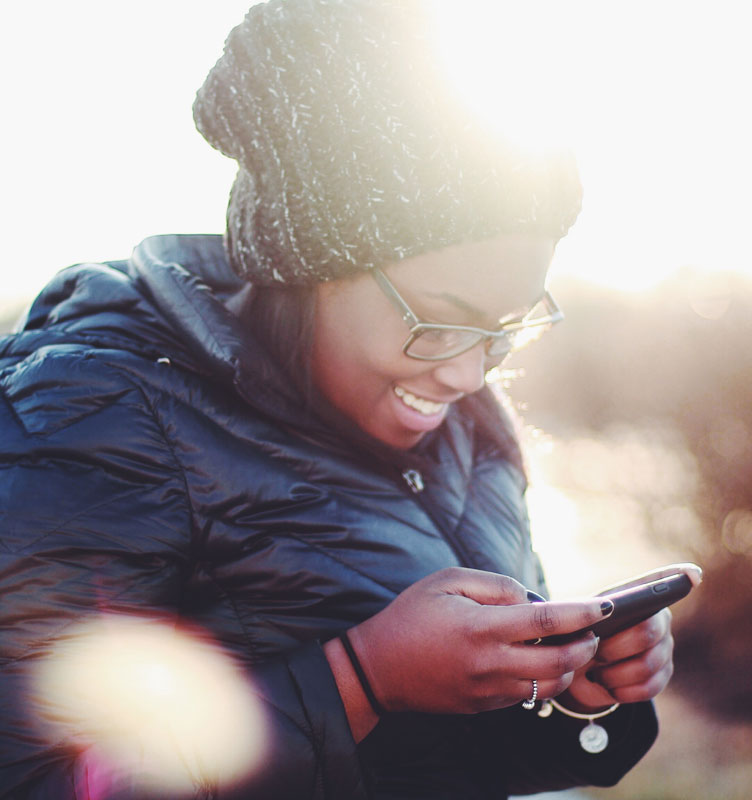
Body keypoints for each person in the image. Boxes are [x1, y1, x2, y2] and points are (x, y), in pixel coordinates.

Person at [0, 1, 693, 797]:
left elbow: (446, 760)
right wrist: (357, 682)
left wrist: (567, 686)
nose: (471, 375)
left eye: (507, 328)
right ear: (309, 263)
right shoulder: (91, 416)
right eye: (441, 321)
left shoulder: (466, 424)